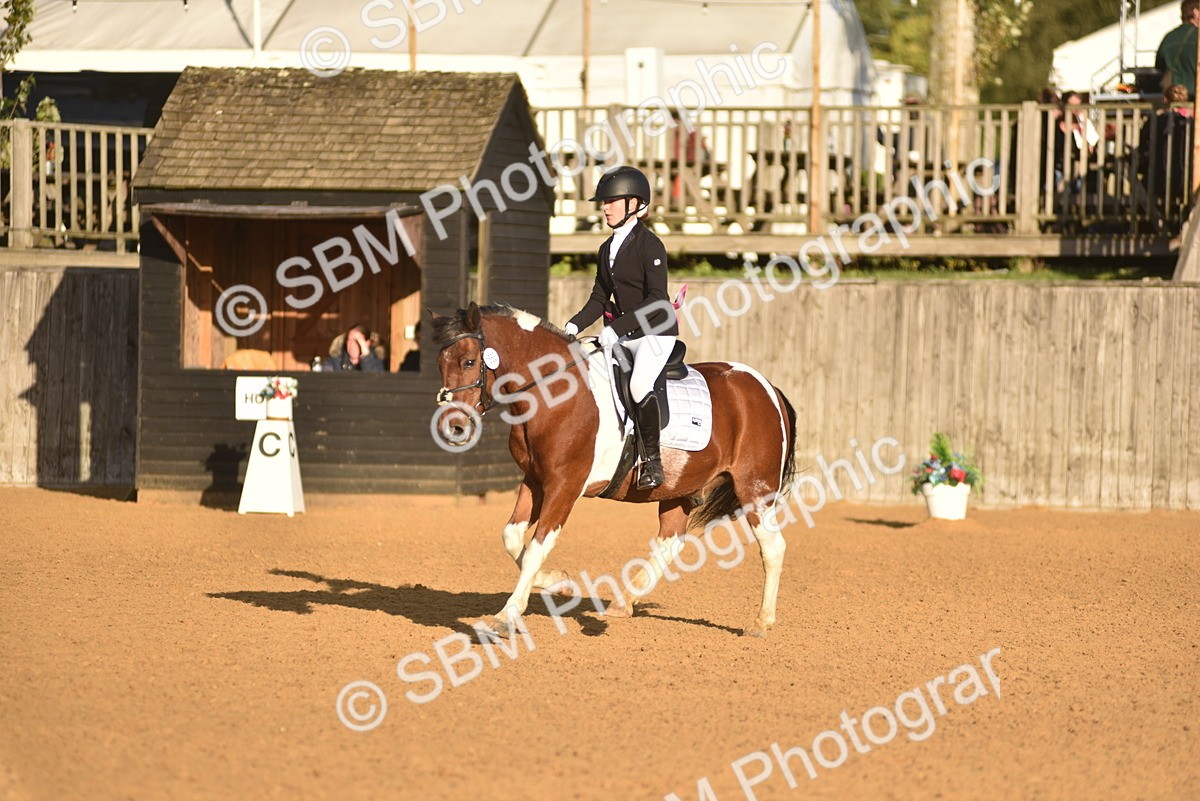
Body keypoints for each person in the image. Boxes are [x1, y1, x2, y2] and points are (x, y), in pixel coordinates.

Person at [563, 165, 678, 490]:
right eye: (604, 202)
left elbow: (658, 299)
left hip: (656, 332)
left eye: (612, 201)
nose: (605, 207)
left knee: (640, 385)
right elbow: (599, 298)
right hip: (626, 335)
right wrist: (572, 325)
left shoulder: (649, 244)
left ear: (634, 204)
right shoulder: (606, 249)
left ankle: (653, 464)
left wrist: (619, 327)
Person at [1156, 0, 1200, 99]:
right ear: (1196, 12)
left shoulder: (1168, 37)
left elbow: (1159, 66)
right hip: (1196, 97)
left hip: (1175, 98)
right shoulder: (1198, 36)